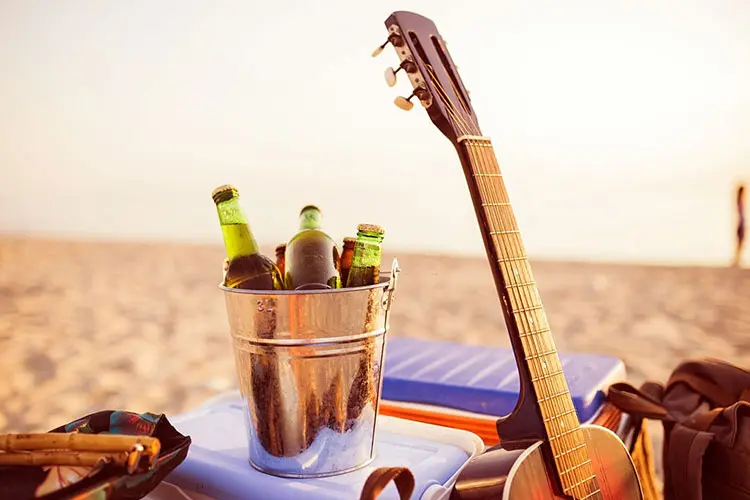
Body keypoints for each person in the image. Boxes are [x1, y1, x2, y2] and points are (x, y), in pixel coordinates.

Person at [733, 184, 745, 267]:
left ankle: (738, 258)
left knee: (740, 242)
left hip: (741, 222)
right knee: (740, 241)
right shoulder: (739, 202)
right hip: (741, 222)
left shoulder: (740, 201)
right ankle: (737, 259)